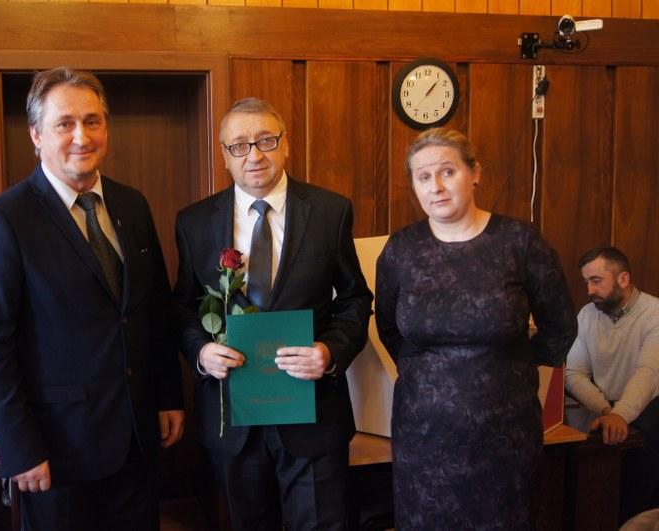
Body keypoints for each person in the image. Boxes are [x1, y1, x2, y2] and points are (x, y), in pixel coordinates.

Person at [0, 67, 184, 531]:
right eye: (65, 123)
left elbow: (153, 311)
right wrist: (19, 448)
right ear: (36, 135)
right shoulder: (3, 221)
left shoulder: (132, 205)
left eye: (92, 121)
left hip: (137, 443)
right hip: (56, 454)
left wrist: (167, 395)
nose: (82, 136)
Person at [173, 97, 373, 530]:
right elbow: (182, 307)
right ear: (225, 155)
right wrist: (201, 353)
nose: (254, 155)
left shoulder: (330, 211)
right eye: (240, 145)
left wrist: (330, 351)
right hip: (233, 418)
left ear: (286, 145)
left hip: (312, 413)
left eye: (266, 140)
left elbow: (355, 298)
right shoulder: (194, 222)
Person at [375, 128, 577, 530]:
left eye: (448, 171)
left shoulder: (520, 242)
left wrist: (508, 367)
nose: (436, 186)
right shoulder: (401, 249)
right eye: (423, 176)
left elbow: (560, 327)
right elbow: (389, 329)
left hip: (505, 435)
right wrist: (431, 375)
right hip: (423, 435)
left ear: (475, 173)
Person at [565, 246, 659, 518]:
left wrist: (620, 414)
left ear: (623, 279)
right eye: (587, 282)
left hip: (651, 407)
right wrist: (607, 410)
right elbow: (573, 373)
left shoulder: (654, 313)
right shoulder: (586, 315)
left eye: (596, 281)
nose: (589, 290)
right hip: (606, 407)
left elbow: (649, 372)